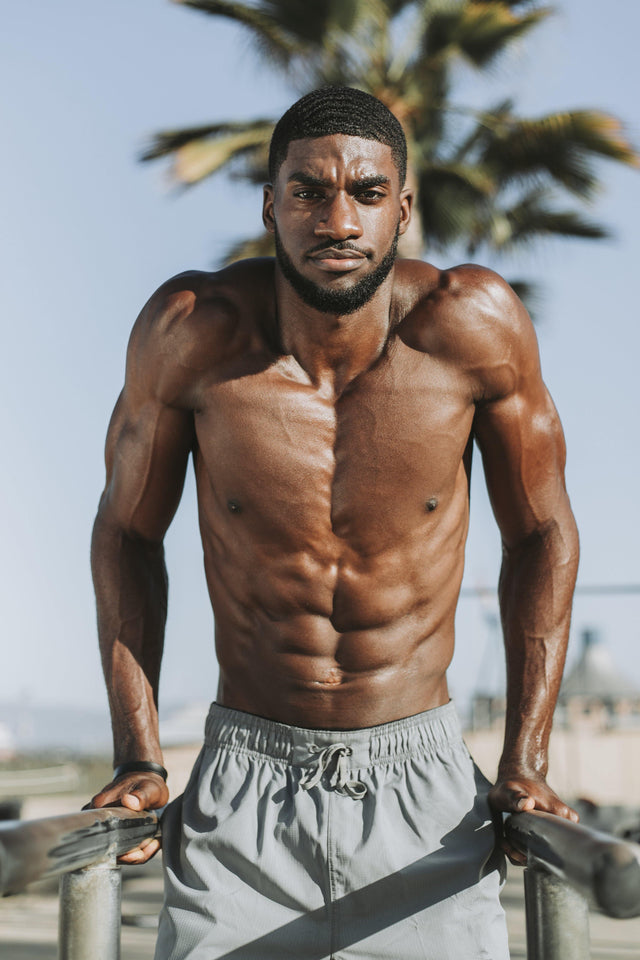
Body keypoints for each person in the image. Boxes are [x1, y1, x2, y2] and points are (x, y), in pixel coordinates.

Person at [89, 87, 579, 960]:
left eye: (366, 192)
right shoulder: (192, 333)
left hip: (426, 796)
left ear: (404, 208)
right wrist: (140, 756)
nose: (337, 219)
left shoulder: (472, 327)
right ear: (270, 204)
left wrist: (526, 758)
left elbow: (541, 531)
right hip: (243, 788)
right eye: (309, 192)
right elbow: (127, 531)